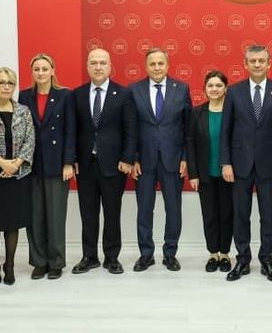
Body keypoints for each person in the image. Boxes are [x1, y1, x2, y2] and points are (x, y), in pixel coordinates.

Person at [220, 43, 272, 282]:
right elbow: (226, 130)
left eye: (262, 61)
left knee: (268, 215)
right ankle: (242, 259)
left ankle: (266, 260)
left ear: (269, 64)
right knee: (241, 214)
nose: (258, 64)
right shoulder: (234, 92)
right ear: (245, 64)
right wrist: (225, 162)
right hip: (239, 164)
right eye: (253, 61)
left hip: (270, 166)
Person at [72, 48, 137, 275]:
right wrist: (72, 159)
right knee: (88, 214)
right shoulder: (77, 94)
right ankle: (89, 257)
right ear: (88, 67)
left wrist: (128, 158)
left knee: (112, 213)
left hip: (114, 165)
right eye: (94, 63)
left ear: (110, 67)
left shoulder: (124, 94)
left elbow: (131, 129)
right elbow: (72, 130)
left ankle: (112, 257)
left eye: (102, 63)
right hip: (85, 165)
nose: (98, 67)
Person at [130, 48, 191, 272]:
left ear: (167, 65)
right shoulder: (134, 90)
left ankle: (170, 254)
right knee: (144, 210)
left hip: (173, 159)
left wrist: (185, 158)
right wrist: (132, 158)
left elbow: (188, 128)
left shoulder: (181, 89)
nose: (157, 67)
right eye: (152, 64)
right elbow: (130, 127)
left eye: (160, 63)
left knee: (173, 209)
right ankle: (146, 254)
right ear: (146, 66)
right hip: (143, 161)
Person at [19, 53, 76, 280]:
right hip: (31, 163)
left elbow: (71, 130)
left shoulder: (65, 95)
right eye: (37, 69)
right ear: (32, 72)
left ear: (53, 71)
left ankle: (56, 262)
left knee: (55, 215)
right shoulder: (24, 96)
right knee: (35, 216)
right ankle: (39, 261)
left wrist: (69, 162)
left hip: (57, 163)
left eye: (44, 69)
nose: (41, 73)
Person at [0, 67, 35, 286]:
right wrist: (1, 163)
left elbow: (30, 140)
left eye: (10, 83)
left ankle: (9, 265)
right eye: (1, 82)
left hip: (17, 176)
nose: (5, 86)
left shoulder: (23, 111)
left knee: (12, 223)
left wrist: (16, 164)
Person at [186, 70, 234, 273]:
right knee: (210, 215)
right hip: (205, 174)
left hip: (229, 174)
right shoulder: (196, 112)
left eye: (219, 85)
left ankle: (225, 253)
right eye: (210, 85)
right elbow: (190, 143)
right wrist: (193, 174)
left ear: (226, 88)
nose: (214, 89)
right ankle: (213, 253)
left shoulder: (233, 112)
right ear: (205, 89)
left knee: (227, 214)